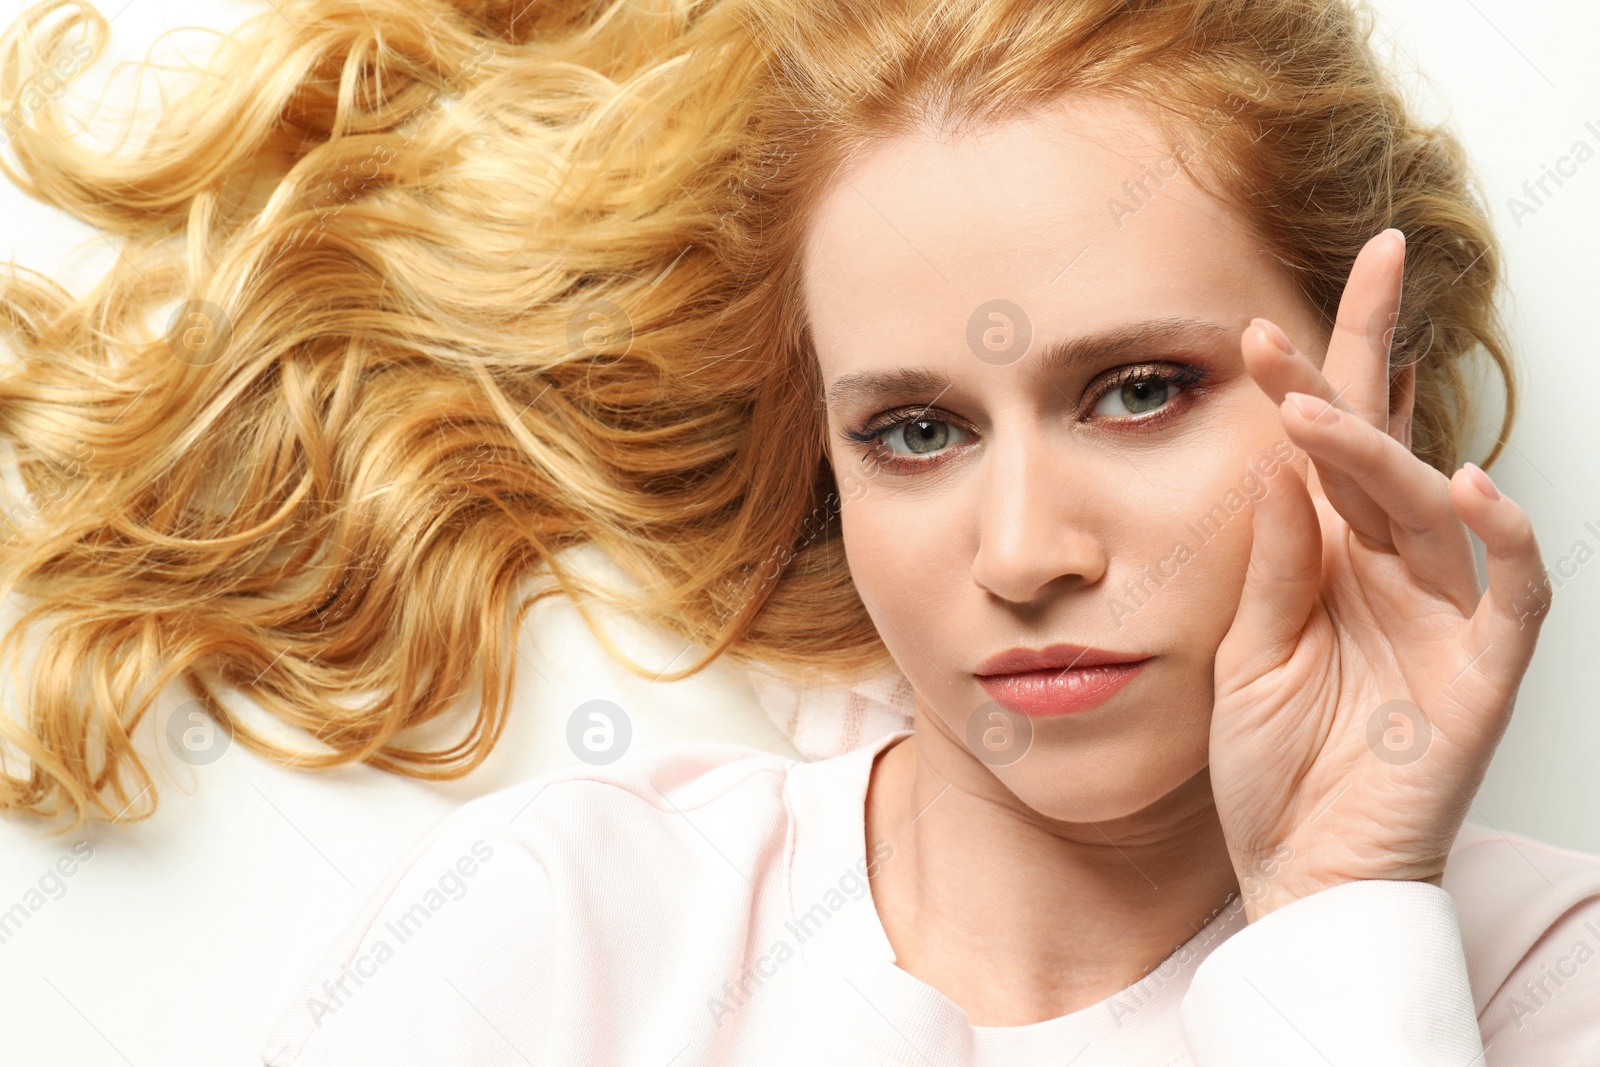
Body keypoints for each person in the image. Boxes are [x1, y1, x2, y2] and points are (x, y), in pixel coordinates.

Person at [0, 0, 1593, 1062]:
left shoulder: (1535, 982)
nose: (1025, 549)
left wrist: (1340, 910)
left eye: (1139, 390)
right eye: (916, 432)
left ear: (1362, 395)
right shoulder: (574, 914)